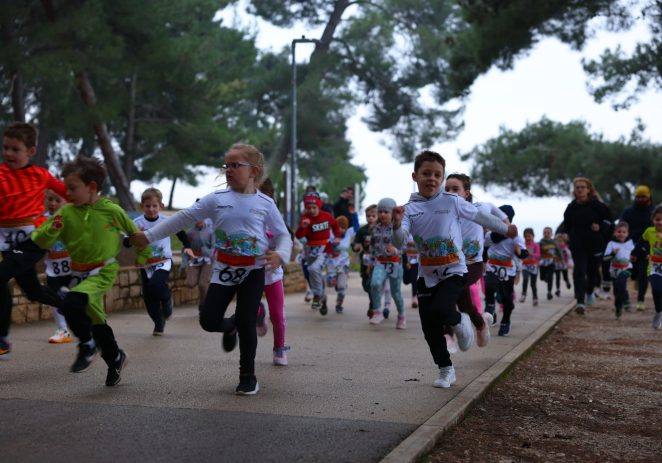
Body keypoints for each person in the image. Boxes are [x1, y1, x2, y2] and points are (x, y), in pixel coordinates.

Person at [130, 144, 291, 395]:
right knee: (208, 320)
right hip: (224, 269)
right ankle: (230, 326)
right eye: (226, 165)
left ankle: (248, 376)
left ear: (254, 171)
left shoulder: (265, 203)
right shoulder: (216, 199)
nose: (229, 170)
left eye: (236, 165)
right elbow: (183, 218)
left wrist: (281, 254)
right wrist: (149, 236)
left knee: (248, 320)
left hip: (253, 269)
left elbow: (283, 235)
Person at [391, 150, 518, 388]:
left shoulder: (452, 201)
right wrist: (397, 223)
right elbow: (399, 242)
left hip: (454, 270)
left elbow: (481, 217)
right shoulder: (409, 209)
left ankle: (460, 320)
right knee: (430, 329)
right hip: (427, 275)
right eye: (426, 173)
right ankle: (446, 370)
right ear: (414, 176)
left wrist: (504, 228)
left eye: (437, 174)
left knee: (442, 309)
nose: (432, 178)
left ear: (442, 177)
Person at [32, 156, 150, 386]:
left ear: (92, 187)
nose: (67, 193)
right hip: (78, 273)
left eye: (72, 188)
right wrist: (50, 229)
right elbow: (41, 238)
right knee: (96, 320)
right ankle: (115, 357)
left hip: (103, 270)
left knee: (72, 304)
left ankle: (86, 345)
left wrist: (143, 255)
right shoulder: (67, 213)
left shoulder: (111, 211)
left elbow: (136, 234)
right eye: (66, 188)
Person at [0, 122, 68, 360]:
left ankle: (2, 340)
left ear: (30, 151)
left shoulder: (40, 175)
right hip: (6, 243)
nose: (8, 153)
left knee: (0, 275)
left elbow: (69, 192)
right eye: (5, 147)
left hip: (34, 240)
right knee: (33, 292)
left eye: (15, 149)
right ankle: (69, 303)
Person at [444, 173, 508, 345]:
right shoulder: (442, 215)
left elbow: (498, 212)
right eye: (447, 189)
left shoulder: (479, 208)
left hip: (473, 265)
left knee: (447, 294)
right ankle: (481, 324)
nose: (450, 193)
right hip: (451, 265)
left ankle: (449, 336)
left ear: (466, 193)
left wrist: (506, 226)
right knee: (464, 305)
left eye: (455, 189)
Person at [133, 188, 190, 336]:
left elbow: (181, 234)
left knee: (156, 285)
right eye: (147, 206)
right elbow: (128, 239)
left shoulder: (167, 221)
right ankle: (159, 322)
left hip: (163, 261)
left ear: (161, 206)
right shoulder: (136, 223)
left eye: (154, 206)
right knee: (148, 298)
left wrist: (188, 246)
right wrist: (128, 241)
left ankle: (166, 299)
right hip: (145, 264)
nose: (151, 209)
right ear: (142, 206)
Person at [558, 177, 613, 315]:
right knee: (580, 271)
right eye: (577, 187)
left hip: (595, 244)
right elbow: (566, 224)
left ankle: (589, 291)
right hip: (577, 244)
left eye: (583, 187)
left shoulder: (598, 206)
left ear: (589, 190)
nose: (580, 189)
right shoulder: (571, 207)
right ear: (574, 190)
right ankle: (580, 302)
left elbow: (609, 221)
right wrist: (564, 233)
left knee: (592, 271)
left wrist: (600, 227)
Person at [255, 177, 291, 366]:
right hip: (251, 271)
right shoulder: (247, 214)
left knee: (277, 315)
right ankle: (259, 315)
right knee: (250, 308)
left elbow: (287, 239)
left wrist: (280, 253)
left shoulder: (276, 217)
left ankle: (279, 348)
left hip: (272, 273)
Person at [483, 205, 527, 336]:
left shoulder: (515, 236)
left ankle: (506, 320)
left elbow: (524, 254)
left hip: (508, 270)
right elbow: (482, 248)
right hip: (492, 267)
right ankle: (490, 306)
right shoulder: (490, 235)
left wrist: (519, 253)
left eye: (502, 219)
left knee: (506, 299)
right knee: (489, 286)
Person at [295, 192, 340, 316]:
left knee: (313, 269)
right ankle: (322, 296)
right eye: (308, 208)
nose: (311, 210)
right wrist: (302, 227)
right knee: (313, 273)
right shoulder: (305, 218)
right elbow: (298, 236)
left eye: (314, 207)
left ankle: (317, 294)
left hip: (324, 247)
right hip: (311, 249)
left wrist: (337, 237)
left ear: (319, 206)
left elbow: (335, 224)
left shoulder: (327, 216)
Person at [40, 189, 73, 343]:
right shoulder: (41, 220)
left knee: (80, 299)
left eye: (57, 200)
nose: (53, 203)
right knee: (53, 296)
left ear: (66, 201)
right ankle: (62, 329)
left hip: (74, 269)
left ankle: (90, 326)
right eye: (50, 200)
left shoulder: (72, 218)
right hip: (53, 269)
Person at [369, 198, 406, 328]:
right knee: (375, 284)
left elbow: (404, 246)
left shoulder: (398, 228)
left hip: (395, 263)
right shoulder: (375, 228)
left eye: (386, 212)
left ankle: (401, 316)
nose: (382, 214)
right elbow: (372, 246)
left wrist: (396, 250)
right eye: (380, 212)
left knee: (396, 293)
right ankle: (377, 311)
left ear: (392, 213)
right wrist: (370, 262)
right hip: (380, 262)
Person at [620, 185, 654, 311]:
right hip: (630, 244)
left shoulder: (653, 212)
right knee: (632, 273)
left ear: (648, 197)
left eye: (643, 197)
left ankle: (640, 300)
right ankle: (632, 287)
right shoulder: (628, 211)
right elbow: (621, 224)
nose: (640, 199)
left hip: (646, 246)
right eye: (638, 197)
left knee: (644, 273)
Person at [182, 212, 214, 311]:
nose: (198, 221)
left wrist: (206, 251)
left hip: (207, 261)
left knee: (202, 284)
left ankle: (204, 305)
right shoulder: (190, 233)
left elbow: (214, 248)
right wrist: (184, 263)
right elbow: (185, 248)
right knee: (190, 283)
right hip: (194, 260)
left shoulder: (210, 232)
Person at [603, 222, 634, 318]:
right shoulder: (611, 244)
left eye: (624, 232)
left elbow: (636, 254)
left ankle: (626, 301)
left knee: (621, 281)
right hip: (614, 270)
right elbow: (605, 259)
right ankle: (618, 307)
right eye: (619, 231)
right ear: (615, 233)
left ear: (627, 233)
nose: (621, 234)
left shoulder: (630, 243)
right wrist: (612, 253)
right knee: (617, 290)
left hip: (627, 268)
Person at [639, 205, 662, 329]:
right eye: (658, 219)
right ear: (653, 220)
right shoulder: (649, 231)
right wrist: (637, 253)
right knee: (657, 290)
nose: (660, 222)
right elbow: (640, 243)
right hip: (654, 267)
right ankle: (659, 312)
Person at [326, 215, 355, 313]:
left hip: (343, 265)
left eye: (343, 228)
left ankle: (339, 304)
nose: (340, 229)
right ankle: (335, 284)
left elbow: (356, 227)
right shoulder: (330, 234)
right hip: (331, 264)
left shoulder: (348, 234)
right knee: (330, 283)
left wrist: (353, 214)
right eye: (338, 227)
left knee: (342, 287)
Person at [353, 204, 378, 316]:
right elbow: (355, 243)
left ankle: (373, 306)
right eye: (368, 216)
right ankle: (374, 299)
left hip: (377, 261)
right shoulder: (362, 231)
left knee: (372, 283)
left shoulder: (381, 229)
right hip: (365, 260)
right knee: (366, 285)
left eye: (373, 216)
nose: (370, 218)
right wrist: (355, 247)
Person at [539, 227, 561, 301]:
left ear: (551, 234)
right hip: (543, 263)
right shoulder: (541, 242)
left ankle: (549, 292)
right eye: (545, 232)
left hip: (552, 262)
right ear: (543, 234)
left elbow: (558, 251)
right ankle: (545, 279)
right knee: (542, 278)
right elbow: (537, 252)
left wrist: (561, 258)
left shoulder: (554, 242)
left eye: (548, 232)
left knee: (550, 277)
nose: (546, 234)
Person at [520, 227, 541, 306]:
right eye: (526, 236)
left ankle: (535, 298)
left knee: (533, 284)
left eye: (529, 236)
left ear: (533, 236)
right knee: (525, 279)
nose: (527, 238)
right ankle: (524, 294)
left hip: (534, 266)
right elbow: (520, 254)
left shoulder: (536, 245)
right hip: (525, 265)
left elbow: (538, 255)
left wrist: (530, 253)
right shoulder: (522, 245)